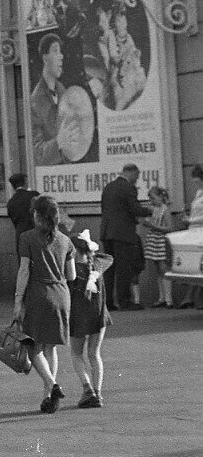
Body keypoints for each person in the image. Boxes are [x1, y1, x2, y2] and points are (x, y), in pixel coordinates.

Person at [13, 195, 76, 413]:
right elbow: (72, 276)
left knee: (34, 349)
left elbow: (24, 271)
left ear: (36, 215)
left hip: (39, 295)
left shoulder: (27, 237)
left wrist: (17, 301)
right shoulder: (66, 240)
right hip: (61, 295)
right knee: (50, 347)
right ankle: (48, 398)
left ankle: (52, 385)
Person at [68, 229, 113, 408]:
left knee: (76, 353)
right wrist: (91, 250)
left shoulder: (72, 272)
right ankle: (98, 393)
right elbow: (108, 257)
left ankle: (87, 389)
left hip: (78, 316)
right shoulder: (97, 264)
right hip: (99, 315)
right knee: (95, 354)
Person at [99, 164, 152, 310]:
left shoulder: (108, 187)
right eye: (136, 176)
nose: (136, 179)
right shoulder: (128, 188)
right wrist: (150, 211)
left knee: (109, 269)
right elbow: (134, 208)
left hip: (107, 232)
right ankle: (124, 301)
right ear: (131, 173)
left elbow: (107, 209)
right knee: (124, 268)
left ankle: (107, 302)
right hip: (122, 233)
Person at [31, 34, 81, 166]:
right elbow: (38, 155)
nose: (61, 56)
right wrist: (58, 141)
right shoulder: (36, 99)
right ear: (45, 58)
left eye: (61, 51)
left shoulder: (61, 89)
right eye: (55, 51)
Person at [138, 186, 173, 308]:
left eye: (153, 198)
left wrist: (152, 226)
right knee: (158, 270)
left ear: (160, 197)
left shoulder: (165, 210)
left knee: (164, 269)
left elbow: (169, 228)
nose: (151, 201)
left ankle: (169, 299)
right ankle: (162, 297)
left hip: (161, 240)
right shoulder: (153, 210)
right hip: (153, 240)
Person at [177, 165, 203, 308]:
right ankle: (193, 298)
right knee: (194, 265)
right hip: (194, 230)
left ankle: (191, 297)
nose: (195, 183)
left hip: (200, 229)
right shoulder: (199, 192)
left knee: (198, 265)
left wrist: (191, 220)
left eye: (197, 181)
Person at [7, 173, 40, 264]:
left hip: (20, 233)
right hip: (35, 232)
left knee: (23, 264)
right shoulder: (33, 195)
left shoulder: (11, 201)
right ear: (25, 182)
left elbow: (13, 218)